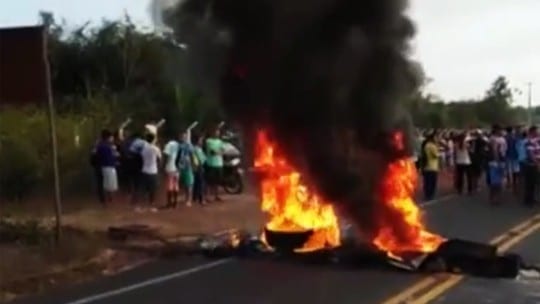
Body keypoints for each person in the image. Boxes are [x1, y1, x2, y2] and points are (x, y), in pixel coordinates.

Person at [95, 129, 119, 205]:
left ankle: (106, 201)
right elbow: (113, 156)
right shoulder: (106, 146)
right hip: (108, 167)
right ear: (108, 137)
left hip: (103, 167)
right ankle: (110, 202)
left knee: (105, 185)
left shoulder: (99, 145)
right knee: (110, 186)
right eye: (111, 137)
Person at [139, 133, 162, 209]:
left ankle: (142, 204)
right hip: (153, 171)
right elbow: (160, 159)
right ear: (153, 140)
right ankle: (151, 204)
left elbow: (141, 157)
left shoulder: (144, 148)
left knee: (144, 189)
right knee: (153, 189)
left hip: (144, 169)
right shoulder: (155, 148)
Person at [487, 124, 507, 205]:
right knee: (494, 182)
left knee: (499, 181)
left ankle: (497, 198)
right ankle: (493, 198)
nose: (501, 131)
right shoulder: (493, 139)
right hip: (495, 162)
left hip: (502, 160)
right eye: (500, 129)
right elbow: (495, 151)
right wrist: (498, 161)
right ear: (496, 130)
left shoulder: (502, 138)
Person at [204, 128, 225, 201]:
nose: (217, 133)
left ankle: (217, 195)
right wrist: (218, 152)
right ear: (212, 133)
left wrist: (218, 152)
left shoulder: (220, 141)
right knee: (209, 181)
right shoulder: (208, 141)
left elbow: (223, 151)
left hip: (219, 164)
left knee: (218, 181)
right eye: (216, 132)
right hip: (211, 164)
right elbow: (212, 152)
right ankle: (207, 196)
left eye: (218, 132)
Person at [523, 126, 540, 207]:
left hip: (535, 164)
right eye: (536, 131)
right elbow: (531, 155)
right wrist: (537, 164)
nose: (538, 132)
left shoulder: (537, 141)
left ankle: (531, 198)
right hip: (531, 165)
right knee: (530, 183)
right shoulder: (529, 142)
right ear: (532, 132)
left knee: (533, 184)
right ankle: (528, 201)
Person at [177, 132, 195, 207]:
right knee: (184, 183)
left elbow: (192, 155)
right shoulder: (178, 145)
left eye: (184, 137)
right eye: (181, 137)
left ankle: (189, 199)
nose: (183, 138)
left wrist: (193, 164)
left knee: (189, 183)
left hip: (187, 166)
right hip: (180, 166)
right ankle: (185, 197)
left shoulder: (189, 145)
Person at [163, 136, 180, 208]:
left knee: (169, 185)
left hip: (170, 166)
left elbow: (166, 156)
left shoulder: (168, 145)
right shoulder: (178, 145)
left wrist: (163, 165)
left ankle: (169, 203)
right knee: (176, 184)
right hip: (177, 167)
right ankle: (175, 202)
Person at [422, 132, 439, 201]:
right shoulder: (432, 146)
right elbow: (436, 155)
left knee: (426, 182)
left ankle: (426, 194)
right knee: (432, 182)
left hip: (426, 166)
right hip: (433, 166)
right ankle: (430, 195)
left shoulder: (426, 145)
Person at [192, 134, 207, 205]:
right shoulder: (196, 149)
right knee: (200, 183)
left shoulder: (197, 148)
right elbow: (202, 159)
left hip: (197, 167)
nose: (201, 142)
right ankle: (201, 199)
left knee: (196, 183)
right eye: (200, 140)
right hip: (199, 167)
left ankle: (195, 197)